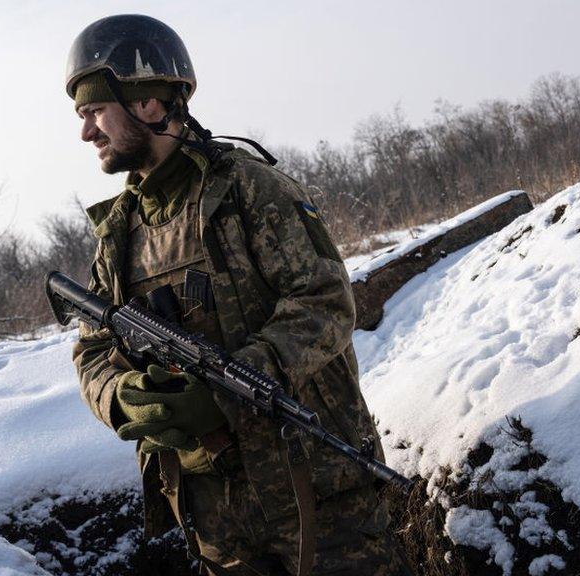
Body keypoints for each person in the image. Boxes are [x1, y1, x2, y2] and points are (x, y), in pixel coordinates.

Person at [65, 14, 410, 576]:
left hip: (322, 504)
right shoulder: (118, 234)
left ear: (149, 102)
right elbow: (93, 353)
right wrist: (127, 398)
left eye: (95, 111)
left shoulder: (249, 190)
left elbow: (324, 303)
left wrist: (232, 385)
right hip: (216, 526)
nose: (86, 132)